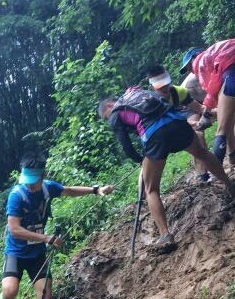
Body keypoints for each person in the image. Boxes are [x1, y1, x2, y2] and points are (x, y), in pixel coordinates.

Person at [0, 154, 113, 299]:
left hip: (37, 254)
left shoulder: (47, 188)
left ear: (43, 176)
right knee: (10, 291)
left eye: (33, 181)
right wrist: (46, 238)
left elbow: (68, 190)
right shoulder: (16, 196)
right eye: (27, 181)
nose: (30, 185)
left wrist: (96, 190)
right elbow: (14, 229)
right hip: (16, 253)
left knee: (45, 293)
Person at [98, 87, 234, 250]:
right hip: (176, 121)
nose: (108, 119)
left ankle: (165, 235)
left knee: (151, 189)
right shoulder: (138, 93)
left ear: (109, 106)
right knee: (201, 153)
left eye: (106, 117)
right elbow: (163, 100)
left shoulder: (116, 112)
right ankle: (230, 185)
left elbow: (126, 146)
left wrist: (140, 160)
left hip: (155, 134)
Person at [147, 63, 210, 182]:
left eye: (166, 83)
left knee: (198, 136)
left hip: (178, 121)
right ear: (152, 87)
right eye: (160, 85)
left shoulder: (178, 92)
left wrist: (217, 112)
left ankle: (202, 174)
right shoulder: (148, 103)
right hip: (158, 134)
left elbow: (199, 108)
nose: (164, 87)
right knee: (149, 166)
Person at [179, 41, 235, 166]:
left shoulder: (201, 62)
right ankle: (232, 158)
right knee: (228, 121)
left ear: (194, 58)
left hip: (231, 75)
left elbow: (213, 88)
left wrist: (206, 114)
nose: (191, 70)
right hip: (189, 104)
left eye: (189, 66)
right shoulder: (216, 52)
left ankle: (218, 169)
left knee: (222, 130)